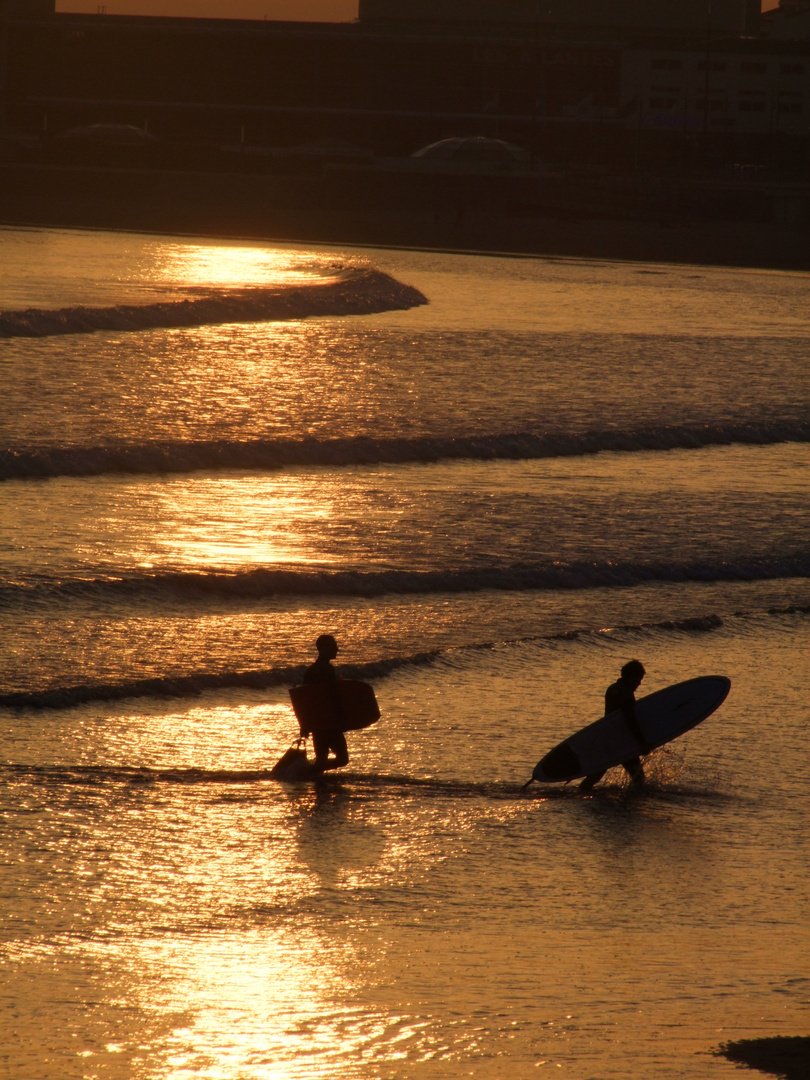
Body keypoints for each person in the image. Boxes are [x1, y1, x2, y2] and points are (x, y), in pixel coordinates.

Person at [579, 659, 649, 791]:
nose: (639, 683)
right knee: (638, 777)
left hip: (607, 738)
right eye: (638, 679)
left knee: (595, 775)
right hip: (622, 741)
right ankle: (632, 800)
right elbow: (630, 720)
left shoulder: (612, 689)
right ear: (630, 676)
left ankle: (581, 793)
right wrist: (641, 742)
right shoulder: (627, 694)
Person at [302, 634, 349, 772]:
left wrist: (305, 724)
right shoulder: (327, 670)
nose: (337, 649)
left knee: (321, 759)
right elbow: (332, 696)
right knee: (342, 759)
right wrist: (342, 717)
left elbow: (303, 698)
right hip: (329, 722)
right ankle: (308, 773)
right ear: (324, 648)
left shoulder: (310, 670)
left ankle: (311, 775)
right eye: (334, 646)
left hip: (317, 723)